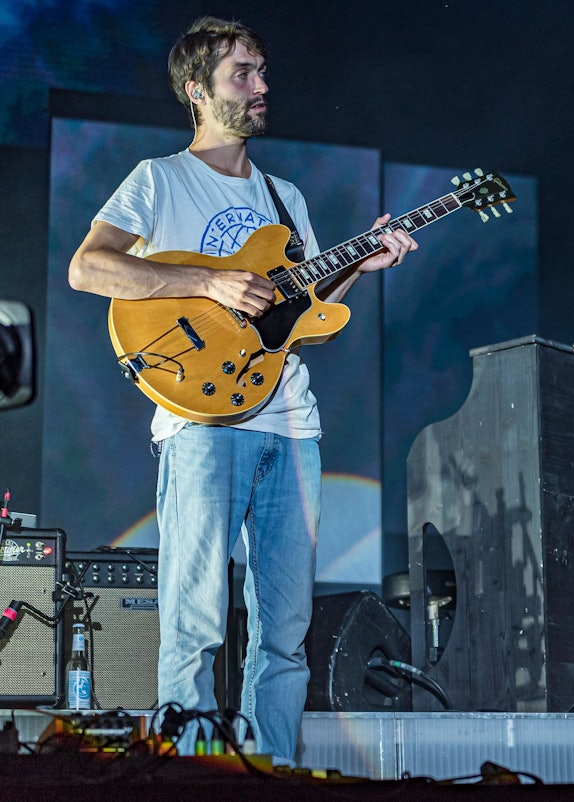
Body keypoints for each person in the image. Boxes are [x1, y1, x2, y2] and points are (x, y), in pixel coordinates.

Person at [68, 16, 416, 764]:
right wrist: (207, 280)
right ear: (198, 91)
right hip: (200, 422)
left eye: (261, 72)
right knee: (195, 620)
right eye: (242, 74)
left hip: (291, 424)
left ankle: (275, 771)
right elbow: (89, 269)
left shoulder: (285, 195)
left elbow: (308, 319)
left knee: (285, 631)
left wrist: (365, 263)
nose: (261, 87)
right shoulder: (158, 180)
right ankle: (188, 774)